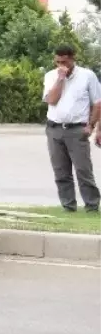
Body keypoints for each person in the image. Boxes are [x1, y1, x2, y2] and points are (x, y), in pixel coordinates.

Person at [44, 44, 101, 212]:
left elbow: (97, 104)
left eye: (65, 62)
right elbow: (52, 100)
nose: (61, 65)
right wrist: (60, 79)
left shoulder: (87, 76)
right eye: (58, 62)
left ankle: (92, 206)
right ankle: (68, 206)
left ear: (72, 58)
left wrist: (92, 125)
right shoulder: (50, 76)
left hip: (77, 129)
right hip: (54, 128)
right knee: (61, 171)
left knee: (83, 170)